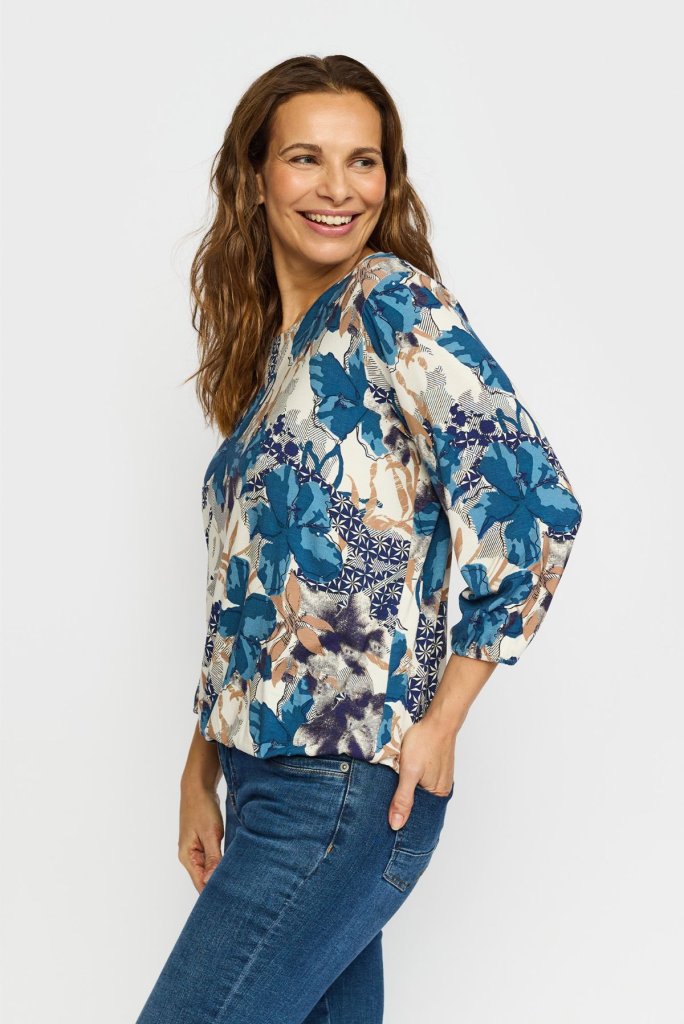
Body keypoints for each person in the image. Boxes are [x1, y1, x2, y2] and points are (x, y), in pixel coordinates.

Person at [135, 54, 583, 1024]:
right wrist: (201, 768)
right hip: (265, 780)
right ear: (256, 178)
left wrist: (444, 720)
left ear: (390, 178)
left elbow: (534, 502)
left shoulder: (391, 300)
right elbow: (253, 597)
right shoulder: (276, 361)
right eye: (306, 157)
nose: (339, 188)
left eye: (363, 161)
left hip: (342, 788)